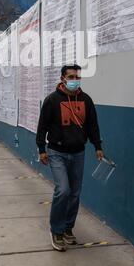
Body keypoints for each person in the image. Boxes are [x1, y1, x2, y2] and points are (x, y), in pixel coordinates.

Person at [36, 64, 104, 252]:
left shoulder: (86, 100)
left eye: (77, 77)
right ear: (62, 78)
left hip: (78, 153)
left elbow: (93, 125)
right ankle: (56, 230)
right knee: (63, 190)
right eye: (71, 77)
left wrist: (97, 146)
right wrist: (41, 149)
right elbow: (42, 126)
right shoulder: (52, 100)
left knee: (75, 193)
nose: (75, 80)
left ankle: (67, 228)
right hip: (57, 152)